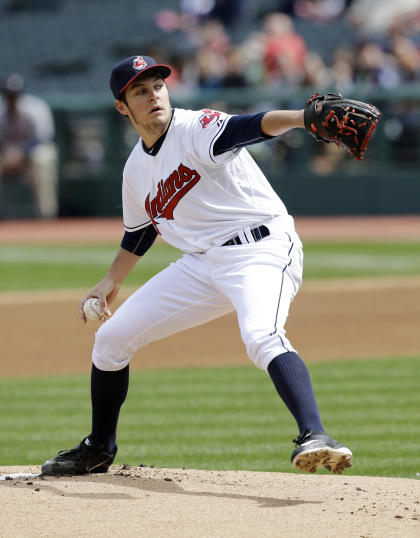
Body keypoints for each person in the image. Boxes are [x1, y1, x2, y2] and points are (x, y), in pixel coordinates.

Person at [41, 55, 352, 476]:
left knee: (261, 335)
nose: (153, 95)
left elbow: (250, 126)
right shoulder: (136, 168)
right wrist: (109, 280)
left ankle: (315, 434)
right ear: (122, 106)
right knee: (111, 340)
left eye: (157, 86)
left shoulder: (195, 126)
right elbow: (141, 231)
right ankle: (99, 447)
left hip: (261, 249)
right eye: (139, 91)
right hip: (201, 264)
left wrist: (300, 117)